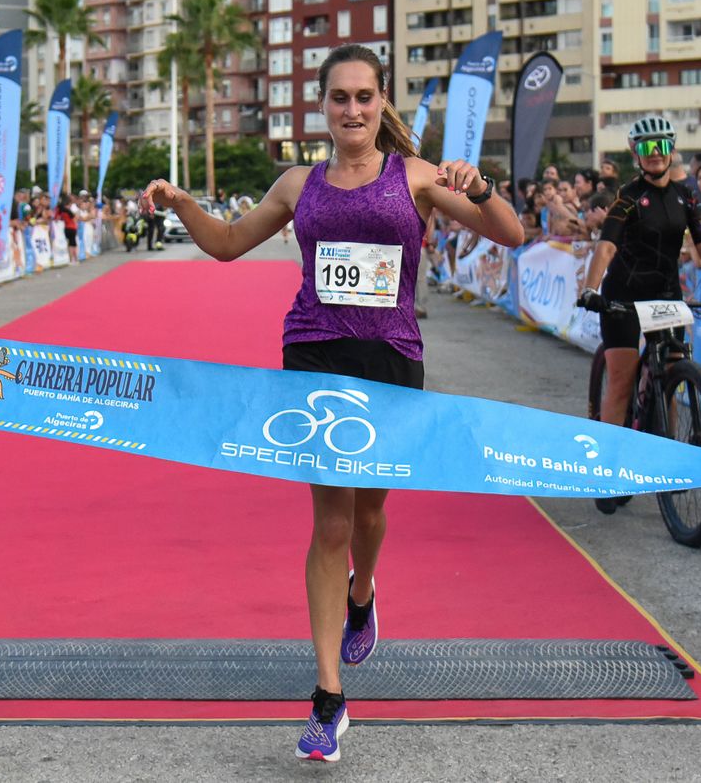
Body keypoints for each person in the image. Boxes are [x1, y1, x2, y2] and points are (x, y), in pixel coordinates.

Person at [139, 43, 523, 763]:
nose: (352, 109)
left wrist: (479, 187)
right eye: (339, 98)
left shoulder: (415, 175)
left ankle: (363, 592)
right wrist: (185, 202)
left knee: (371, 512)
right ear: (322, 106)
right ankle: (327, 695)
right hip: (312, 355)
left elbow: (512, 233)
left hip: (390, 358)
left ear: (382, 103)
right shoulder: (297, 183)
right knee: (329, 522)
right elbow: (226, 244)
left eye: (364, 97)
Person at [576, 116, 701, 514]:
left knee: (672, 371)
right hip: (624, 295)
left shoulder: (687, 196)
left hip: (665, 295)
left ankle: (663, 458)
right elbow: (607, 246)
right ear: (635, 153)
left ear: (671, 150)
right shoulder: (628, 196)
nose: (654, 155)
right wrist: (592, 288)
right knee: (620, 382)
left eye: (661, 147)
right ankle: (609, 473)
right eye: (646, 148)